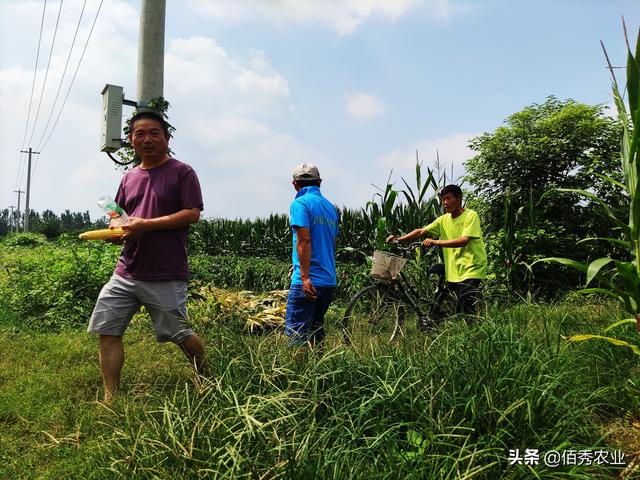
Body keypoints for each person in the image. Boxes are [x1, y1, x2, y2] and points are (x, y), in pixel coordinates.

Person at [88, 110, 206, 403]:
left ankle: (205, 376)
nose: (147, 139)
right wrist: (117, 229)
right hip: (126, 271)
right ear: (131, 140)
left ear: (167, 138)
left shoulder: (183, 172)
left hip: (165, 272)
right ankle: (110, 397)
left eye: (154, 133)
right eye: (139, 134)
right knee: (107, 329)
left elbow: (192, 213)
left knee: (179, 333)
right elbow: (119, 216)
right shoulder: (129, 178)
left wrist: (145, 226)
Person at [386, 184, 486, 325]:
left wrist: (435, 242)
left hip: (472, 266)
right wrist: (399, 239)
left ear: (458, 199)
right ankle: (438, 322)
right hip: (454, 267)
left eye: (448, 198)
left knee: (465, 304)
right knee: (446, 303)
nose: (445, 203)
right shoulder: (443, 219)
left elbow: (464, 241)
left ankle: (476, 335)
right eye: (443, 199)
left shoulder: (471, 215)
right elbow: (421, 231)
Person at [285, 163, 339, 347]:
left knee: (296, 334)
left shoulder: (300, 203)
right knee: (316, 330)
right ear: (320, 182)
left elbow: (304, 240)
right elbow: (327, 243)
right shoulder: (330, 208)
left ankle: (296, 375)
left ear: (294, 184)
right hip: (328, 280)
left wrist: (305, 276)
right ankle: (321, 373)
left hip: (308, 282)